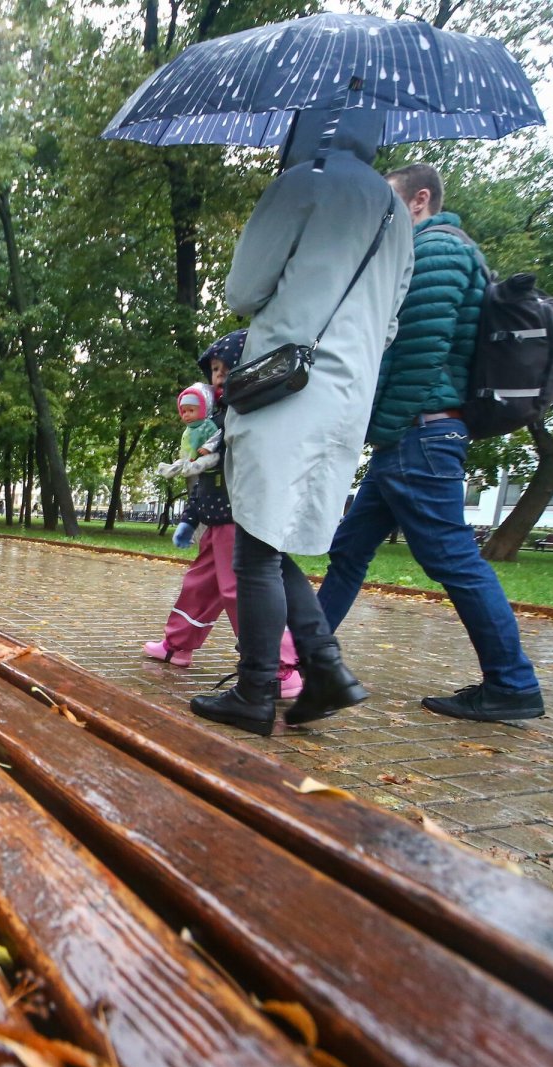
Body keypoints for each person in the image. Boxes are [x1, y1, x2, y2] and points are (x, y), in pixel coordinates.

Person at [189, 108, 413, 736]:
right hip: (349, 395)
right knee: (271, 538)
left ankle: (257, 691)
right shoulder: (397, 215)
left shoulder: (305, 181)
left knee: (255, 551)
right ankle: (326, 667)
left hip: (286, 386)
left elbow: (243, 291)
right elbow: (390, 322)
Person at [316, 164, 545, 722]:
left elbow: (416, 355)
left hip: (418, 431)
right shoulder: (429, 252)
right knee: (349, 552)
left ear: (419, 201)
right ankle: (301, 656)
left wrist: (381, 427)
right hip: (412, 433)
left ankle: (513, 684)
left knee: (454, 560)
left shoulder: (437, 251)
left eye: (387, 204)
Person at [145, 333, 301, 697]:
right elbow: (203, 478)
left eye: (225, 367)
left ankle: (282, 665)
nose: (218, 375)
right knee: (199, 586)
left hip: (238, 517)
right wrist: (189, 516)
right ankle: (177, 645)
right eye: (214, 370)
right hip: (214, 519)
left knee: (239, 591)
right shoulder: (216, 418)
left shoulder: (246, 413)